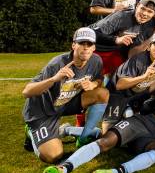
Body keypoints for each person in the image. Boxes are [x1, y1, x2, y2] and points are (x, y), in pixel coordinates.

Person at [22, 28, 109, 162]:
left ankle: (83, 137)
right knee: (53, 155)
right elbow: (26, 91)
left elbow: (99, 79)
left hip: (66, 103)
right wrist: (54, 79)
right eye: (82, 43)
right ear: (74, 45)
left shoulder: (96, 60)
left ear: (94, 47)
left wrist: (93, 85)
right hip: (42, 111)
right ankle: (31, 131)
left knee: (103, 94)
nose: (85, 48)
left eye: (89, 44)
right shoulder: (57, 64)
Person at [101, 32, 155, 133]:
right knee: (107, 131)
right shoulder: (138, 61)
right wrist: (144, 77)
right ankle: (77, 130)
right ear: (149, 47)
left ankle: (135, 108)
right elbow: (119, 85)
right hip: (119, 94)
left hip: (138, 92)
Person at [90, 0, 155, 80]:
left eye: (149, 11)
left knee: (121, 78)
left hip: (117, 53)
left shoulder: (150, 25)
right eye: (142, 9)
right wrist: (116, 39)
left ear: (154, 14)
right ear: (137, 6)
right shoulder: (122, 16)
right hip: (98, 49)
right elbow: (92, 33)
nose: (144, 14)